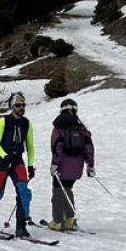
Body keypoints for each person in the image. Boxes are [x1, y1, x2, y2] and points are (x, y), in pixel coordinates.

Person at [0, 92, 36, 237]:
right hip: (1, 162)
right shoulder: (4, 121)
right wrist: (5, 155)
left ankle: (21, 227)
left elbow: (30, 146)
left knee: (24, 191)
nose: (21, 107)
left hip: (17, 161)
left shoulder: (26, 123)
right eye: (18, 105)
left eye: (23, 105)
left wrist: (30, 165)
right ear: (12, 106)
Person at [47, 98, 95, 231]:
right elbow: (89, 146)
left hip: (62, 166)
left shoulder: (58, 126)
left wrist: (55, 164)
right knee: (67, 189)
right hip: (77, 167)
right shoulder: (81, 127)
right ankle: (69, 219)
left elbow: (57, 146)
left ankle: (57, 221)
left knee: (57, 192)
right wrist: (90, 165)